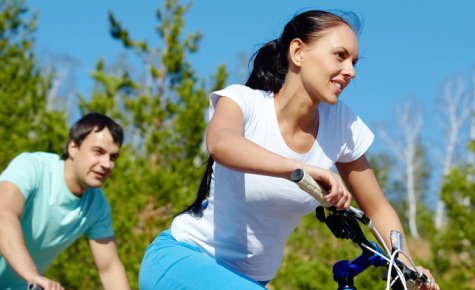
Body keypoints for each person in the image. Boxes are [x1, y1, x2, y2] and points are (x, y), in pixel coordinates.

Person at [139, 9, 439, 290]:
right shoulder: (243, 102)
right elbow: (221, 144)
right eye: (340, 56)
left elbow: (377, 208)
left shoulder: (342, 124)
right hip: (183, 260)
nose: (350, 71)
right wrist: (299, 170)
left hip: (253, 282)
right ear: (298, 52)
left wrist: (407, 265)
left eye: (354, 62)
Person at [0, 112, 131, 290]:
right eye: (98, 152)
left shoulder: (98, 205)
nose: (107, 164)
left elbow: (110, 268)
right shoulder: (32, 166)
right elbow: (4, 214)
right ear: (73, 148)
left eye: (113, 157)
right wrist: (32, 275)